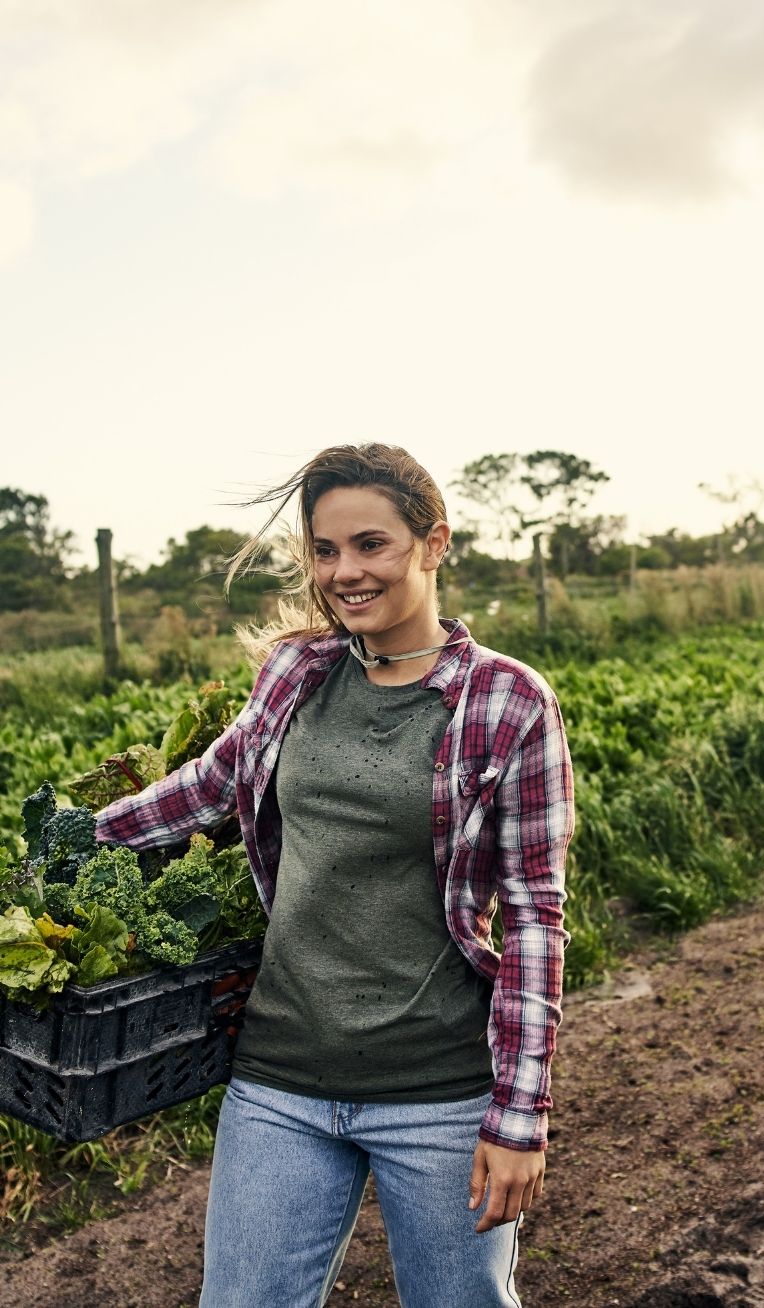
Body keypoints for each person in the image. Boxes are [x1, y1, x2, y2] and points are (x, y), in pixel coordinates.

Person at [95, 442, 575, 1308]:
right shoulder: (296, 672)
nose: (344, 572)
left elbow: (536, 918)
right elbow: (209, 787)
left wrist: (519, 1117)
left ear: (435, 544)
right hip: (279, 1082)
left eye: (370, 545)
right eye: (325, 550)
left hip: (435, 1092)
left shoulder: (508, 703)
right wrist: (65, 849)